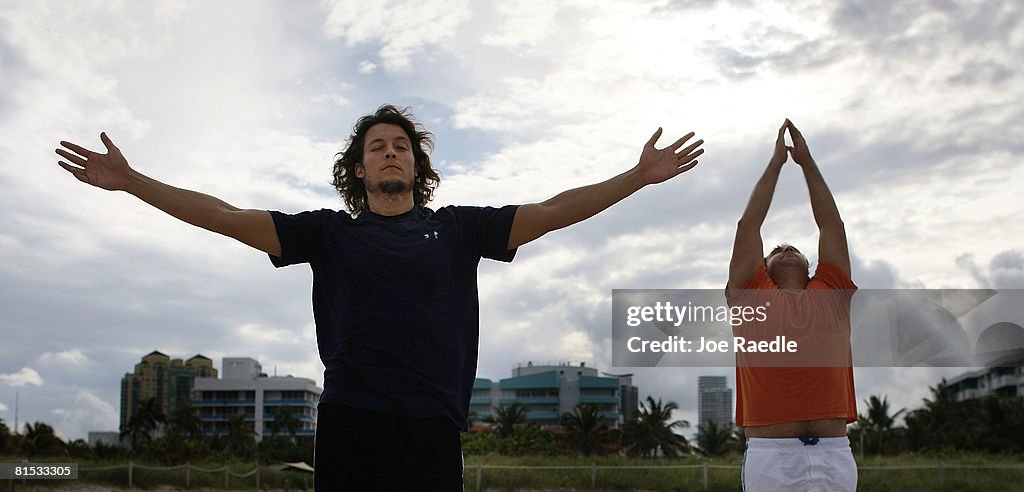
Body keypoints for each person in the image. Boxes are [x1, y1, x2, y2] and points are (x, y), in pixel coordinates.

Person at [56, 104, 705, 490]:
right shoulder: (328, 234)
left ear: (417, 167)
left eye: (401, 146)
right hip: (351, 420)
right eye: (377, 147)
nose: (390, 153)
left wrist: (638, 178)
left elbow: (555, 210)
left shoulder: (459, 229)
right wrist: (133, 180)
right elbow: (226, 216)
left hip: (430, 426)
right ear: (360, 168)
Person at [725, 120, 858, 492]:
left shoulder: (832, 292)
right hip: (772, 454)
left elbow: (832, 225)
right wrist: (776, 164)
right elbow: (748, 226)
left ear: (810, 266)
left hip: (834, 452)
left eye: (792, 248)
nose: (785, 250)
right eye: (776, 250)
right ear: (762, 269)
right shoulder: (750, 295)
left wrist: (807, 163)